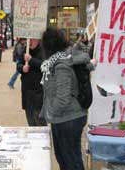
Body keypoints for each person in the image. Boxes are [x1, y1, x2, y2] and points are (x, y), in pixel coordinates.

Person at [40, 27, 90, 170]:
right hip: (67, 116)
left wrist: (51, 112)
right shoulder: (61, 59)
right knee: (65, 158)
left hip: (68, 117)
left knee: (70, 160)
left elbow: (62, 99)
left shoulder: (61, 65)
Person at [17, 38, 47, 127]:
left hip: (38, 93)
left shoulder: (43, 51)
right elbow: (18, 65)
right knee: (31, 122)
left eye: (32, 39)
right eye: (28, 39)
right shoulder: (24, 50)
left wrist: (31, 60)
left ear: (37, 39)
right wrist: (22, 68)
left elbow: (46, 66)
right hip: (27, 92)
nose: (29, 41)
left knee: (40, 122)